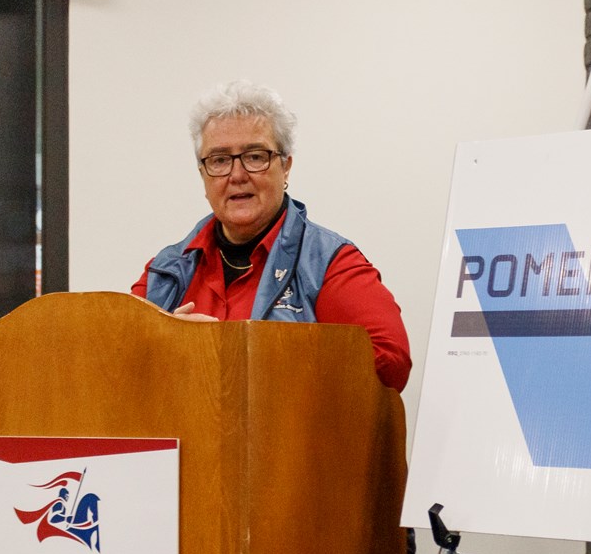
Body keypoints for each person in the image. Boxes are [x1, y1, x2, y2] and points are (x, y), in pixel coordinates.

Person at [132, 80, 412, 392]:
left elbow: (391, 365)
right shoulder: (166, 271)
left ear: (285, 167)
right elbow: (113, 364)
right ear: (203, 175)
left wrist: (245, 354)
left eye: (255, 156)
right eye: (220, 160)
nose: (237, 175)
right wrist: (168, 345)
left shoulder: (327, 263)